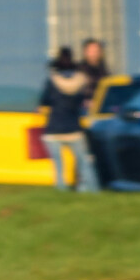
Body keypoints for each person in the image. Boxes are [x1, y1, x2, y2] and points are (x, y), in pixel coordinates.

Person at [39, 47, 99, 192]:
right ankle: (90, 190)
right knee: (84, 162)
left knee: (59, 166)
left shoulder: (52, 81)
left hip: (53, 129)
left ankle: (61, 189)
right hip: (74, 129)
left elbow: (44, 102)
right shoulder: (80, 81)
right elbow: (83, 102)